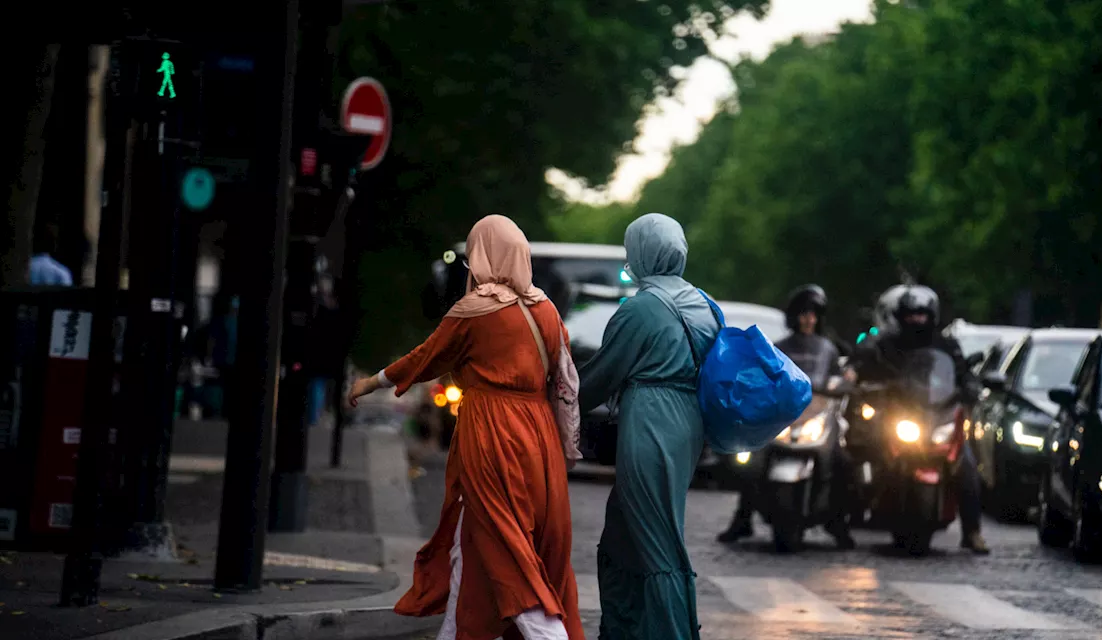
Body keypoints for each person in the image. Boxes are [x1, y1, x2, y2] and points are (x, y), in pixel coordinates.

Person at [347, 215, 584, 640]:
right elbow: (564, 378)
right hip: (540, 436)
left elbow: (425, 357)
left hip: (491, 432)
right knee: (471, 540)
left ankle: (548, 634)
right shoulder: (545, 309)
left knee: (506, 541)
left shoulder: (474, 310)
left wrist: (373, 381)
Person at [577, 213, 717, 640]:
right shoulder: (704, 304)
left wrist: (549, 400)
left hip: (650, 421)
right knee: (625, 531)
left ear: (642, 251)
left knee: (656, 541)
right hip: (688, 423)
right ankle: (621, 631)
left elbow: (599, 378)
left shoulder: (641, 308)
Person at [850, 284, 991, 555]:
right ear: (901, 315)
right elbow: (868, 367)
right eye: (911, 314)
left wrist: (970, 387)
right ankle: (851, 515)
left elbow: (962, 372)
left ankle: (972, 531)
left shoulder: (946, 345)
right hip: (900, 414)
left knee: (967, 466)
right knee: (864, 452)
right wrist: (864, 379)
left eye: (921, 314)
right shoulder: (888, 344)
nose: (916, 320)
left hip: (938, 414)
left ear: (933, 315)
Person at [716, 284, 857, 549]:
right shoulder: (778, 347)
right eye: (804, 313)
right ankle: (742, 518)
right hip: (781, 416)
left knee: (844, 463)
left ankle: (837, 521)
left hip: (817, 416)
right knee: (749, 461)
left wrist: (845, 383)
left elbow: (840, 378)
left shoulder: (829, 350)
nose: (809, 319)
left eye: (813, 314)